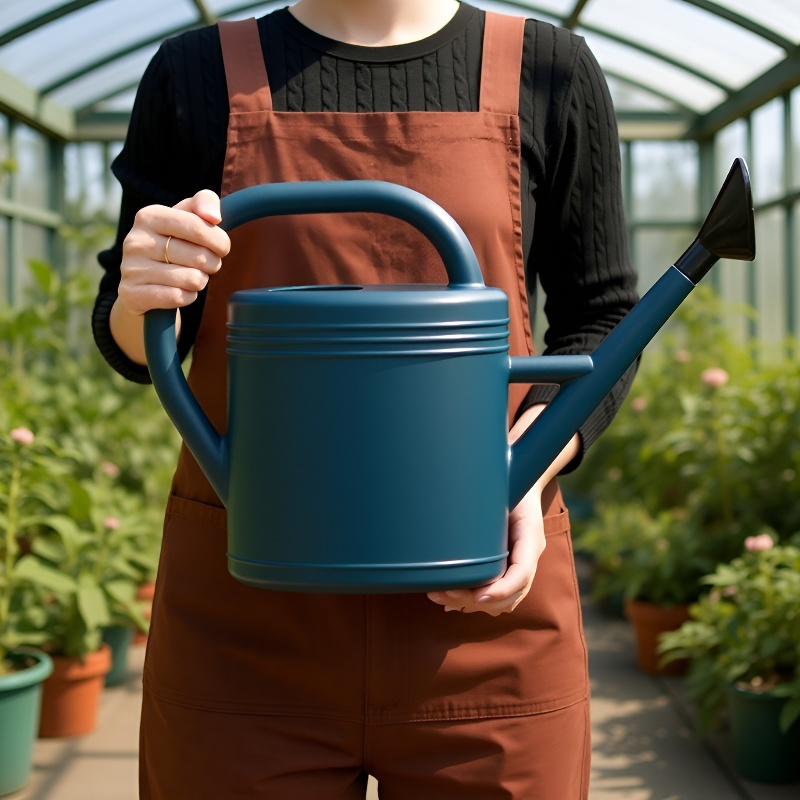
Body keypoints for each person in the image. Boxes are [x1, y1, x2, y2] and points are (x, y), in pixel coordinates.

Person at [92, 1, 638, 797]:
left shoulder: (548, 69)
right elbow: (137, 340)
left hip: (484, 617)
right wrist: (141, 291)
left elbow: (603, 315)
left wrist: (527, 473)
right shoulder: (195, 72)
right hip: (246, 623)